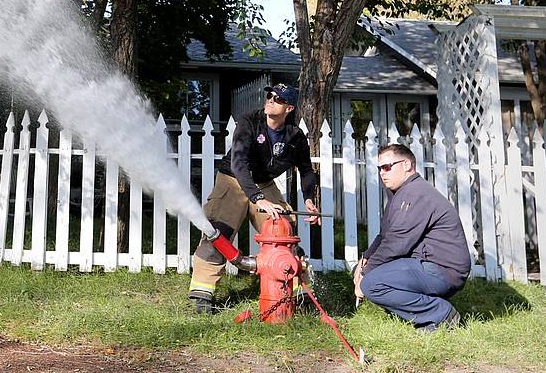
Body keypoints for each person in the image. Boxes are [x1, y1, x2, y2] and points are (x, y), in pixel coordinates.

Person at [188, 83, 321, 314]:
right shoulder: (249, 122)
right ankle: (201, 296)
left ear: (288, 109)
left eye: (277, 99)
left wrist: (309, 199)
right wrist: (257, 198)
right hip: (233, 180)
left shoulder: (295, 137)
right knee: (217, 236)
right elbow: (239, 163)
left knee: (285, 235)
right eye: (269, 96)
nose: (270, 100)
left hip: (264, 184)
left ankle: (301, 296)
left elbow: (307, 170)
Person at [352, 143, 471, 331]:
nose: (383, 173)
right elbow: (385, 235)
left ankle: (442, 314)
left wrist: (365, 276)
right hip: (424, 264)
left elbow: (397, 244)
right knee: (360, 271)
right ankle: (420, 311)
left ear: (406, 165)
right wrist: (364, 260)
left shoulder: (415, 194)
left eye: (387, 167)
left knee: (372, 283)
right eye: (380, 169)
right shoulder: (401, 193)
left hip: (442, 271)